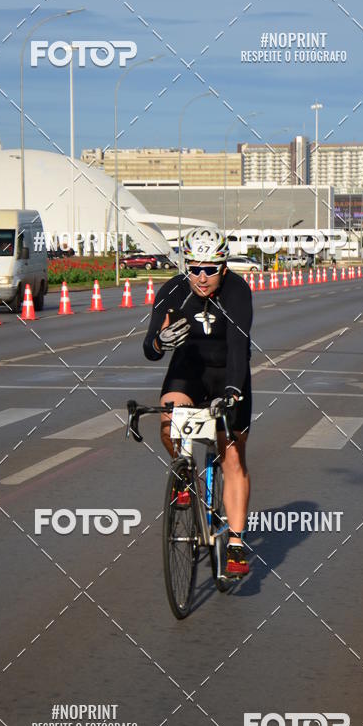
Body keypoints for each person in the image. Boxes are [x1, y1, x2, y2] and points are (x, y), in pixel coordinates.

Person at [143, 227, 253, 577]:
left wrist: (234, 393)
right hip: (188, 369)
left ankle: (235, 543)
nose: (201, 278)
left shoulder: (237, 292)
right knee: (167, 421)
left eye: (210, 269)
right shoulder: (173, 290)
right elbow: (149, 349)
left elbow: (239, 347)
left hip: (226, 374)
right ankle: (184, 474)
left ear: (223, 267)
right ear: (185, 266)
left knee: (232, 453)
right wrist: (159, 342)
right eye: (194, 268)